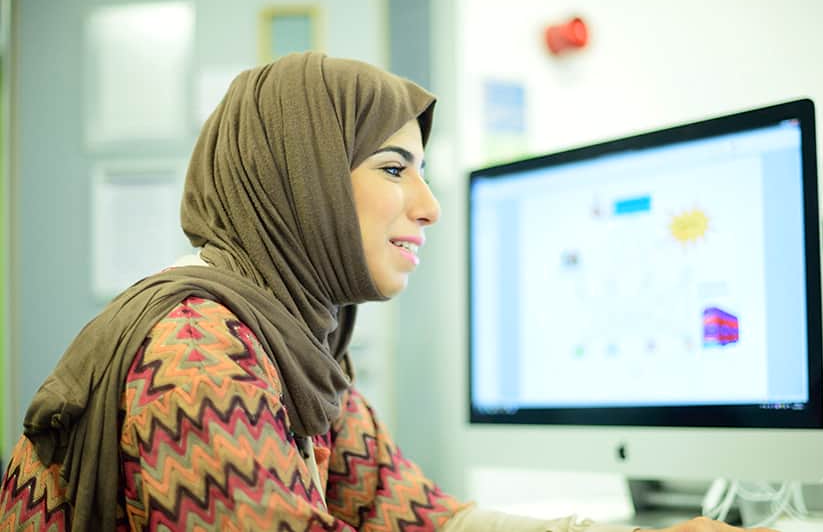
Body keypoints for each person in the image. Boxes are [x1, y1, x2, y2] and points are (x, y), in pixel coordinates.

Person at [0, 52, 774, 532]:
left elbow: (416, 515)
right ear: (300, 183)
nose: (429, 206)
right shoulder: (197, 352)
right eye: (395, 169)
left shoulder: (297, 348)